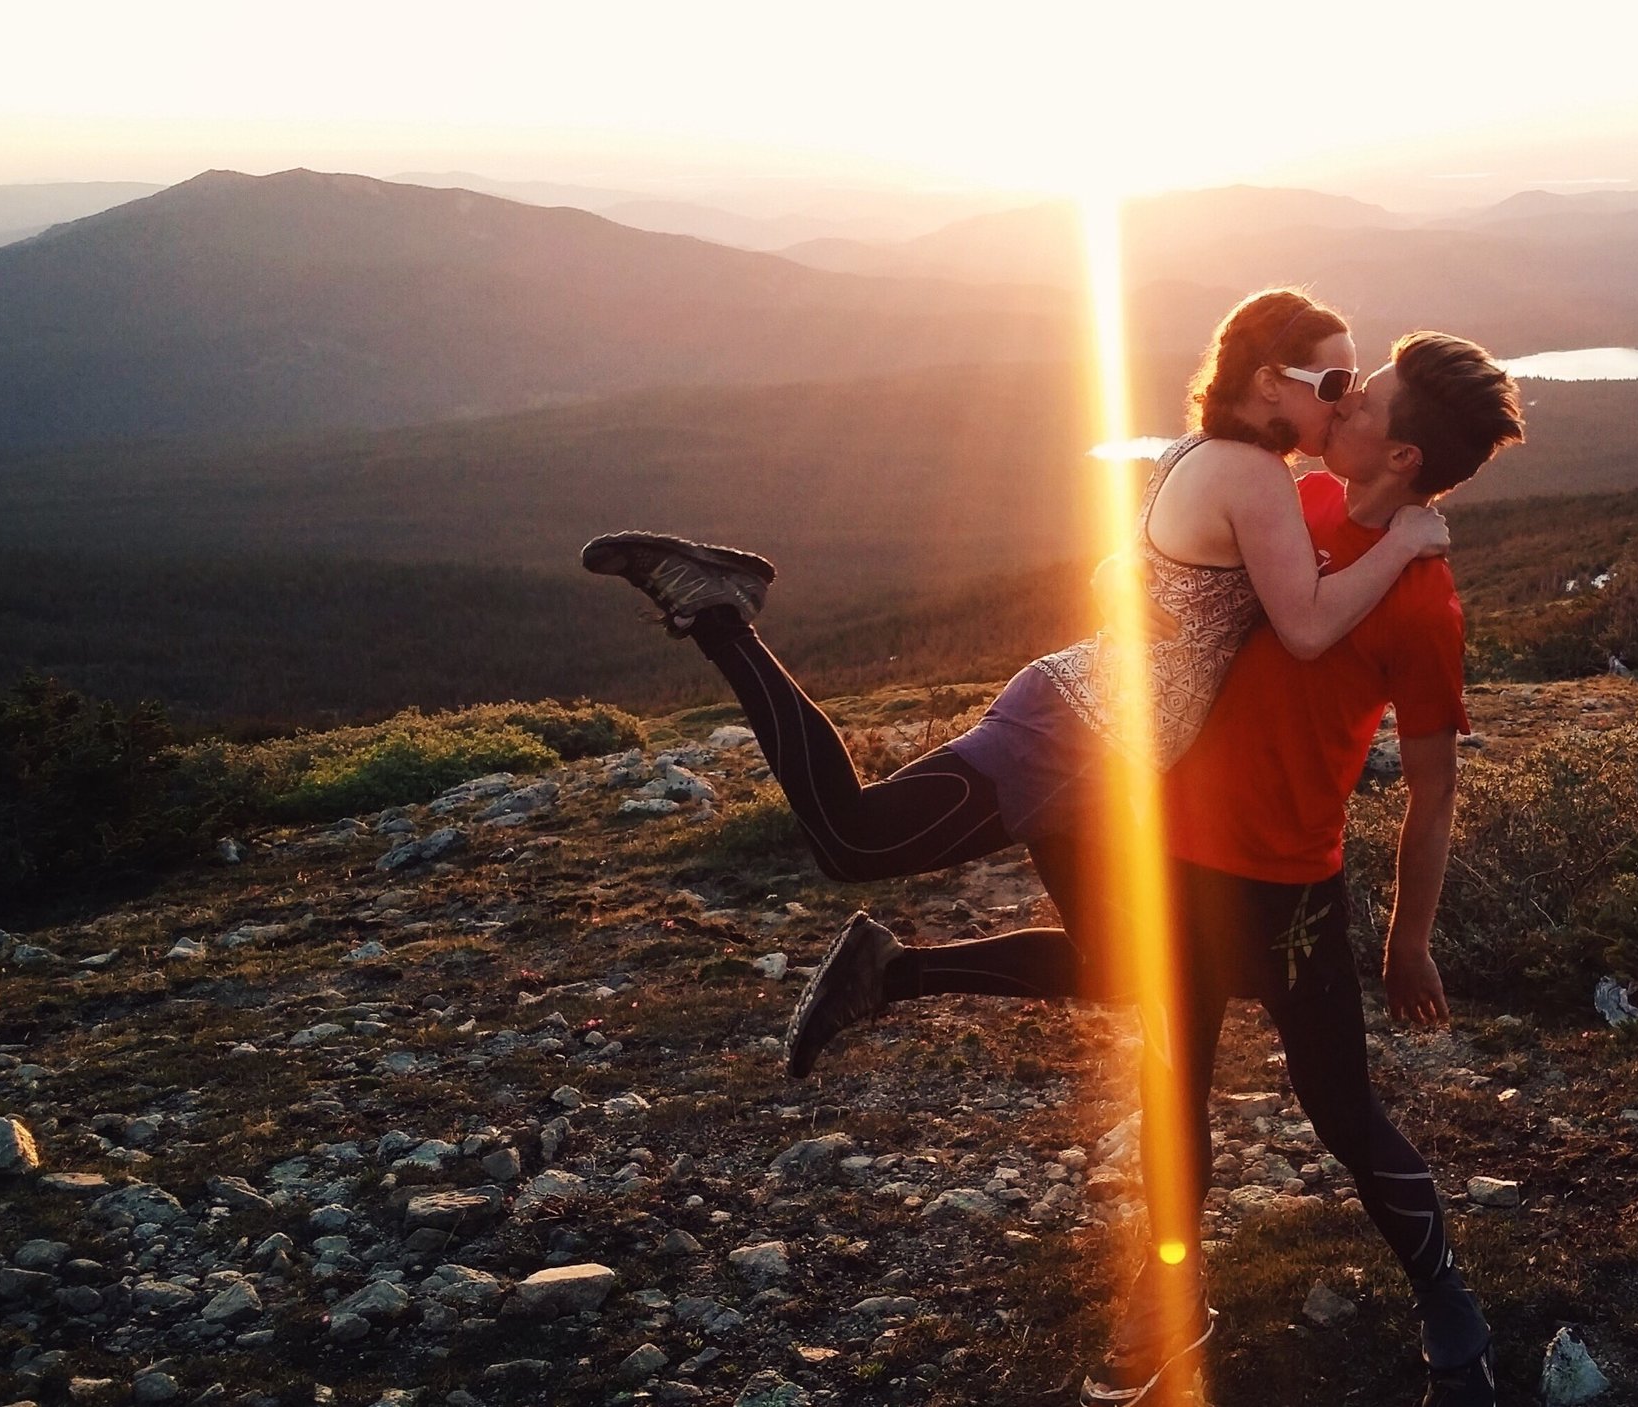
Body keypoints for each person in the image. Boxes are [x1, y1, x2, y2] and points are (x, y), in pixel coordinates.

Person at [782, 333, 1527, 1407]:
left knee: (1340, 1109)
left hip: (1291, 891)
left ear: (1403, 457)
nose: (1344, 400)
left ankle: (1445, 1300)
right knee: (1172, 1093)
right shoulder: (1291, 498)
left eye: (1365, 400)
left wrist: (1409, 938)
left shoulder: (1421, 602)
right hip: (1176, 855)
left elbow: (1433, 787)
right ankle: (1168, 1298)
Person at [578, 288, 1449, 1074]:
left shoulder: (1213, 453)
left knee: (1120, 963)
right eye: (1332, 386)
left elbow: (1151, 562)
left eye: (1354, 390)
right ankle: (722, 614)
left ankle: (889, 970)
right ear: (1269, 382)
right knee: (853, 841)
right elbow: (1303, 625)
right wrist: (1408, 541)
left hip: (1104, 747)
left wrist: (1116, 576)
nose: (1346, 405)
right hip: (1074, 732)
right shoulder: (1255, 474)